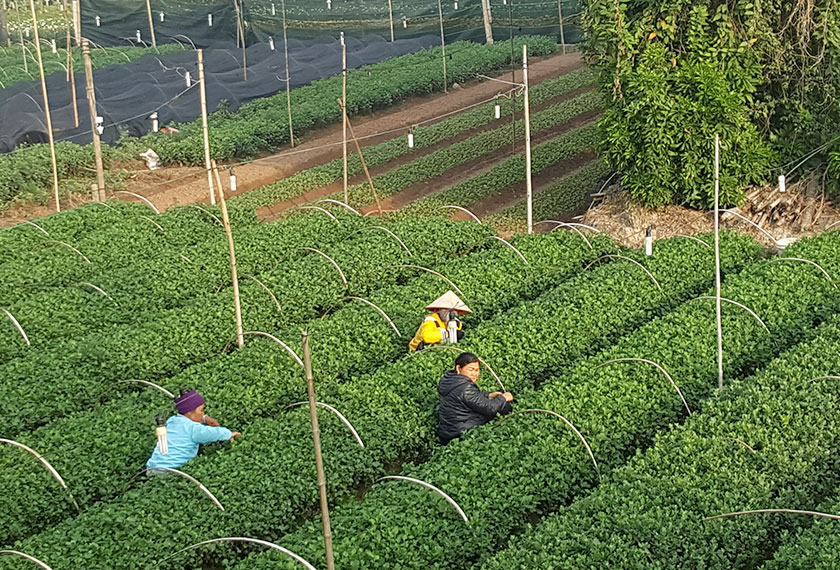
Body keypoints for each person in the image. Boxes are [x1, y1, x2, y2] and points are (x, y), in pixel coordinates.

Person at [146, 389, 241, 470]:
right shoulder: (193, 429)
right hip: (172, 470)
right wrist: (228, 433)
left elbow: (189, 421)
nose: (203, 413)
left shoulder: (171, 421)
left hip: (152, 467)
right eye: (201, 410)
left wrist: (204, 418)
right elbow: (211, 433)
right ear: (189, 413)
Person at [437, 352, 513, 445]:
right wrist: (503, 398)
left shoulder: (450, 380)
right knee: (504, 407)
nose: (474, 374)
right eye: (471, 369)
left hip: (448, 431)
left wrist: (488, 395)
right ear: (458, 368)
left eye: (477, 370)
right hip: (460, 433)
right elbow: (489, 408)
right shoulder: (465, 387)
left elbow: (470, 396)